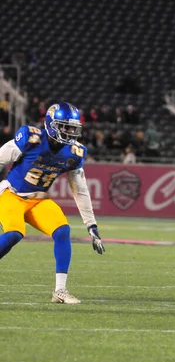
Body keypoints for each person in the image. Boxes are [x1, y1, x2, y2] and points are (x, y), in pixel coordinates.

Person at [0, 102, 105, 304]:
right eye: (65, 127)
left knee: (63, 231)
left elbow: (80, 190)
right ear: (51, 124)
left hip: (38, 199)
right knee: (14, 233)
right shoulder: (31, 138)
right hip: (11, 194)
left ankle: (60, 291)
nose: (69, 132)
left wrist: (91, 224)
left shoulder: (74, 152)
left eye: (72, 128)